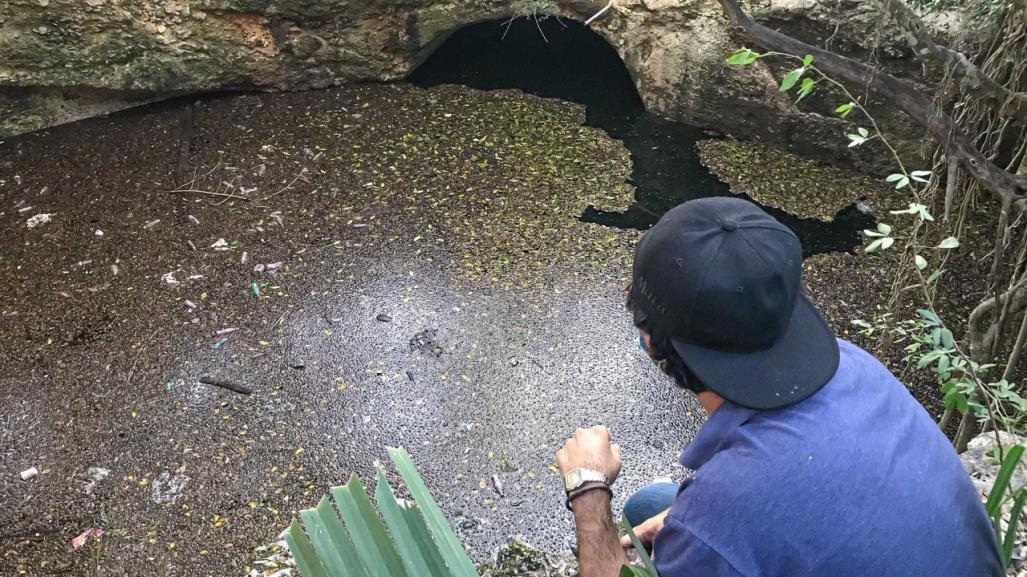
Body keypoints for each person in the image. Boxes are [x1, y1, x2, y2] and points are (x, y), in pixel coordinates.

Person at [554, 197, 1004, 577]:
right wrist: (689, 520)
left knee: (638, 515)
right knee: (654, 504)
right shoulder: (852, 364)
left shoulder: (725, 509)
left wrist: (588, 486)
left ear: (654, 342)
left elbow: (740, 511)